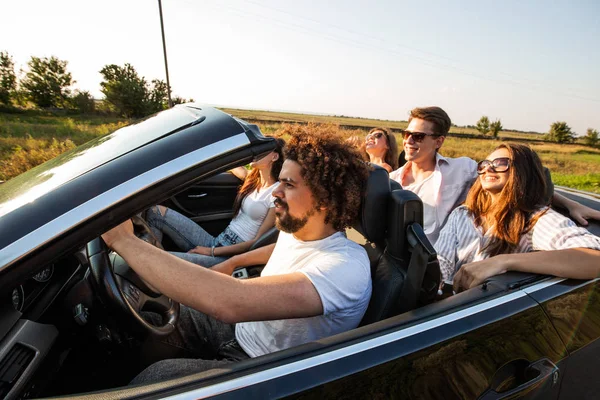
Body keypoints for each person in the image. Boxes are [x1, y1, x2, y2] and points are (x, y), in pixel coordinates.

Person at [101, 127, 372, 383]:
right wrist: (233, 262)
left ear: (324, 199)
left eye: (288, 185)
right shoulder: (300, 231)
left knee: (157, 378)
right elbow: (278, 248)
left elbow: (230, 303)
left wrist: (122, 240)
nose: (275, 192)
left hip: (260, 364)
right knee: (153, 319)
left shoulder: (346, 267)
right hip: (242, 330)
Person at [389, 106, 600, 245]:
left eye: (417, 136)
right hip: (400, 260)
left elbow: (516, 179)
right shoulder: (393, 180)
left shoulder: (461, 168)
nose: (408, 141)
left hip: (439, 259)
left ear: (439, 141)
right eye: (406, 134)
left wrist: (570, 204)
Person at [434, 143, 600, 292]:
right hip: (453, 305)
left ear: (523, 172)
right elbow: (441, 262)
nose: (488, 169)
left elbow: (594, 260)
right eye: (484, 164)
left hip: (494, 313)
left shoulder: (534, 220)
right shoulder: (462, 214)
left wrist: (503, 262)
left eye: (500, 164)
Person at [144, 137, 285, 268]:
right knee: (155, 212)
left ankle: (152, 268)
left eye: (263, 149)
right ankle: (153, 261)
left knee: (156, 258)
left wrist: (211, 251)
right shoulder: (252, 181)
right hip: (216, 241)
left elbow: (256, 243)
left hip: (228, 256)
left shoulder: (275, 194)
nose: (257, 152)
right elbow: (235, 167)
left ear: (275, 156)